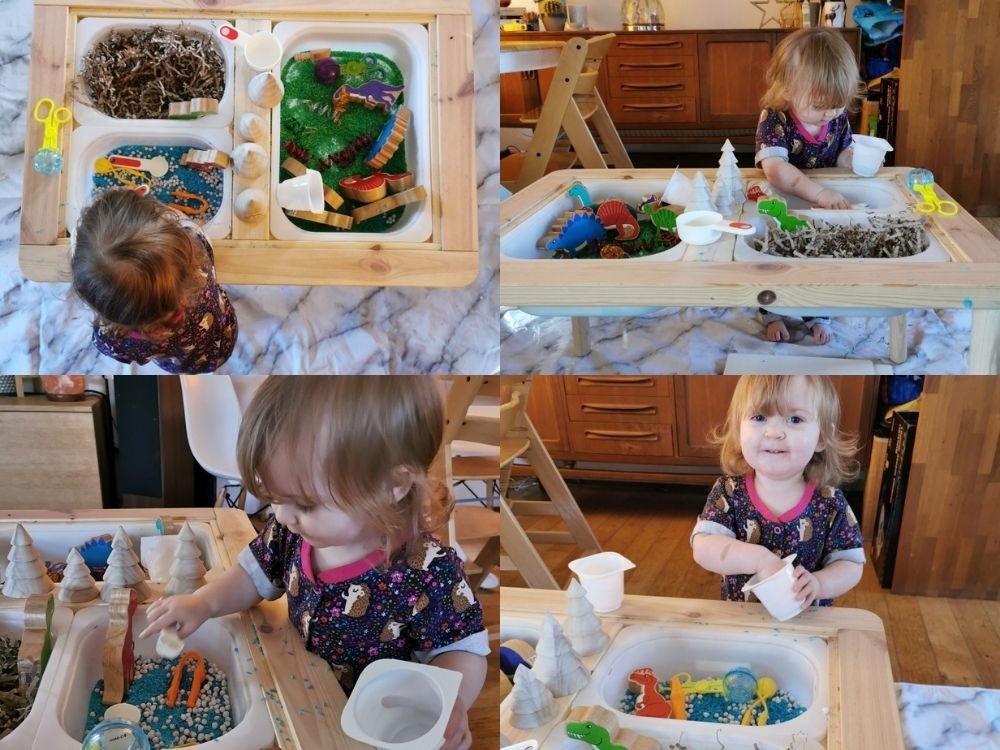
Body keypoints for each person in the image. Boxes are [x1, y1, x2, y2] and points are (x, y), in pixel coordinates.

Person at [140, 377, 488, 750]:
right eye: (275, 496)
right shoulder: (294, 533)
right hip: (309, 704)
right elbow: (252, 575)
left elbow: (462, 650)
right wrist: (204, 602)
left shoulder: (426, 570)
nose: (283, 514)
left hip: (387, 727)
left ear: (393, 484)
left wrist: (451, 702)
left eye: (304, 504)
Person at [690, 375, 864, 614]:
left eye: (794, 419)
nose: (774, 432)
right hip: (742, 623)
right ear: (738, 430)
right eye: (759, 417)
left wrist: (820, 583)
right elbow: (704, 547)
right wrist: (760, 559)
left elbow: (851, 563)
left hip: (806, 625)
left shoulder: (831, 502)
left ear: (821, 438)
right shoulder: (729, 492)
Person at [754, 27, 867, 344]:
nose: (830, 113)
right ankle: (772, 312)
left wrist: (855, 161)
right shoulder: (775, 118)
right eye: (819, 106)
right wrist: (819, 192)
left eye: (838, 104)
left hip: (821, 208)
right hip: (784, 202)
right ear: (787, 89)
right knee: (777, 261)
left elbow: (844, 152)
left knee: (821, 261)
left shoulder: (835, 116)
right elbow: (776, 171)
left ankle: (819, 312)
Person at [71, 188, 238, 373]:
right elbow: (196, 235)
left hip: (182, 361)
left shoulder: (116, 341)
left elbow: (107, 346)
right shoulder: (200, 261)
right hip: (222, 338)